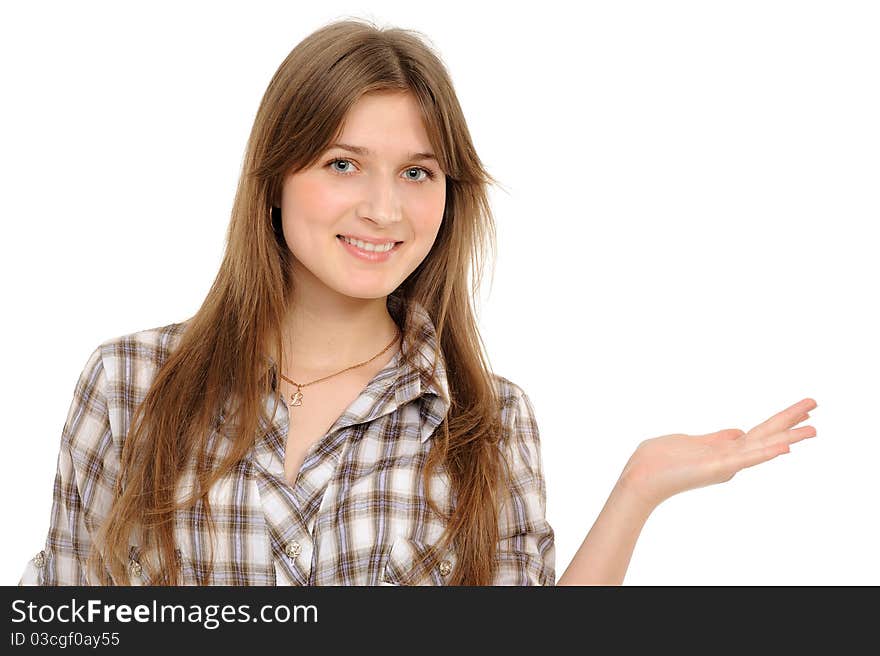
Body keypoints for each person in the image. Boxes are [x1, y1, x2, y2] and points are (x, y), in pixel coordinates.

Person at [19, 18, 818, 587]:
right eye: (342, 164)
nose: (383, 210)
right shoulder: (132, 381)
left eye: (417, 172)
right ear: (274, 177)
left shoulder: (485, 420)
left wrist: (638, 488)